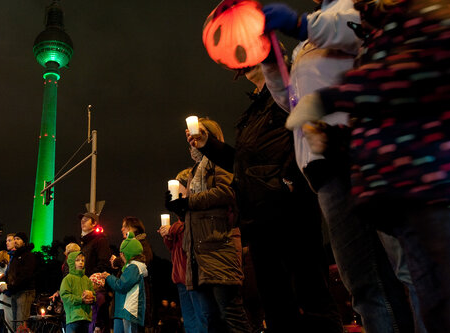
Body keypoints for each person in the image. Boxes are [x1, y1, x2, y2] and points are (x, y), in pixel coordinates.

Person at [288, 0, 450, 330]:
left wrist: (328, 100)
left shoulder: (417, 19)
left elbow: (397, 82)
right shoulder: (378, 30)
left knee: (431, 287)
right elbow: (377, 117)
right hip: (391, 183)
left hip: (426, 182)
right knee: (421, 288)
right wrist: (334, 139)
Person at [260, 0, 416, 331]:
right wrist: (273, 66)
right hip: (325, 166)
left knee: (412, 266)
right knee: (362, 282)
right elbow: (294, 104)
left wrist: (303, 25)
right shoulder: (306, 41)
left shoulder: (360, 6)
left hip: (370, 152)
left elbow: (366, 29)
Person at [187, 64, 342, 333]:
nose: (246, 64)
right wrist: (208, 144)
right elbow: (242, 165)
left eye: (255, 55)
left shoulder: (291, 96)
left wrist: (289, 181)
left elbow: (307, 138)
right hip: (259, 219)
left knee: (311, 296)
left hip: (291, 212)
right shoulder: (251, 114)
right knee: (277, 303)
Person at [166, 118, 251, 332]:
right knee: (211, 319)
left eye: (197, 135)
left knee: (230, 314)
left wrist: (189, 201)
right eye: (189, 138)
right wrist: (178, 206)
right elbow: (195, 212)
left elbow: (226, 192)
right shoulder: (195, 172)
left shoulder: (220, 162)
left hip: (219, 247)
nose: (191, 142)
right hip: (199, 253)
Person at [158, 169, 203, 333]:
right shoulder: (179, 219)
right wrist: (167, 236)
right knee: (190, 321)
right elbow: (173, 248)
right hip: (180, 276)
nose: (175, 192)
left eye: (179, 187)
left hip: (192, 274)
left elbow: (189, 234)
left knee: (200, 318)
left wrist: (173, 229)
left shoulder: (191, 212)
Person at [111, 217, 154, 332]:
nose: (121, 229)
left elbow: (136, 264)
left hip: (132, 304)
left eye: (125, 226)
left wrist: (117, 261)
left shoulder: (142, 245)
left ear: (134, 228)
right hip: (122, 303)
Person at [102, 232, 147, 333]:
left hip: (128, 311)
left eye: (122, 253)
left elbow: (121, 285)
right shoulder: (132, 268)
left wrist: (108, 277)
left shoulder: (134, 268)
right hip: (125, 311)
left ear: (127, 253)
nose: (120, 255)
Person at [78, 212, 112, 333]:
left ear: (94, 223)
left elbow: (103, 264)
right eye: (82, 219)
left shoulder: (100, 240)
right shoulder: (84, 243)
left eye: (86, 219)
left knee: (95, 325)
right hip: (85, 289)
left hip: (95, 290)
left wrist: (89, 279)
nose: (82, 221)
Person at [1, 232, 35, 328]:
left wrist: (10, 286)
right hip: (15, 291)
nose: (15, 241)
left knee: (21, 323)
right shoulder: (15, 256)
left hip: (25, 292)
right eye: (15, 239)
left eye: (18, 239)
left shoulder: (28, 256)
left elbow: (25, 276)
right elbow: (10, 274)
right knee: (15, 323)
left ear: (24, 242)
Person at [60, 251, 95, 333]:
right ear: (72, 262)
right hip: (73, 319)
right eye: (77, 260)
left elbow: (94, 295)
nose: (80, 262)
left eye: (82, 260)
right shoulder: (68, 279)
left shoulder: (87, 280)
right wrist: (81, 299)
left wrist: (92, 299)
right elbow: (65, 296)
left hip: (86, 318)